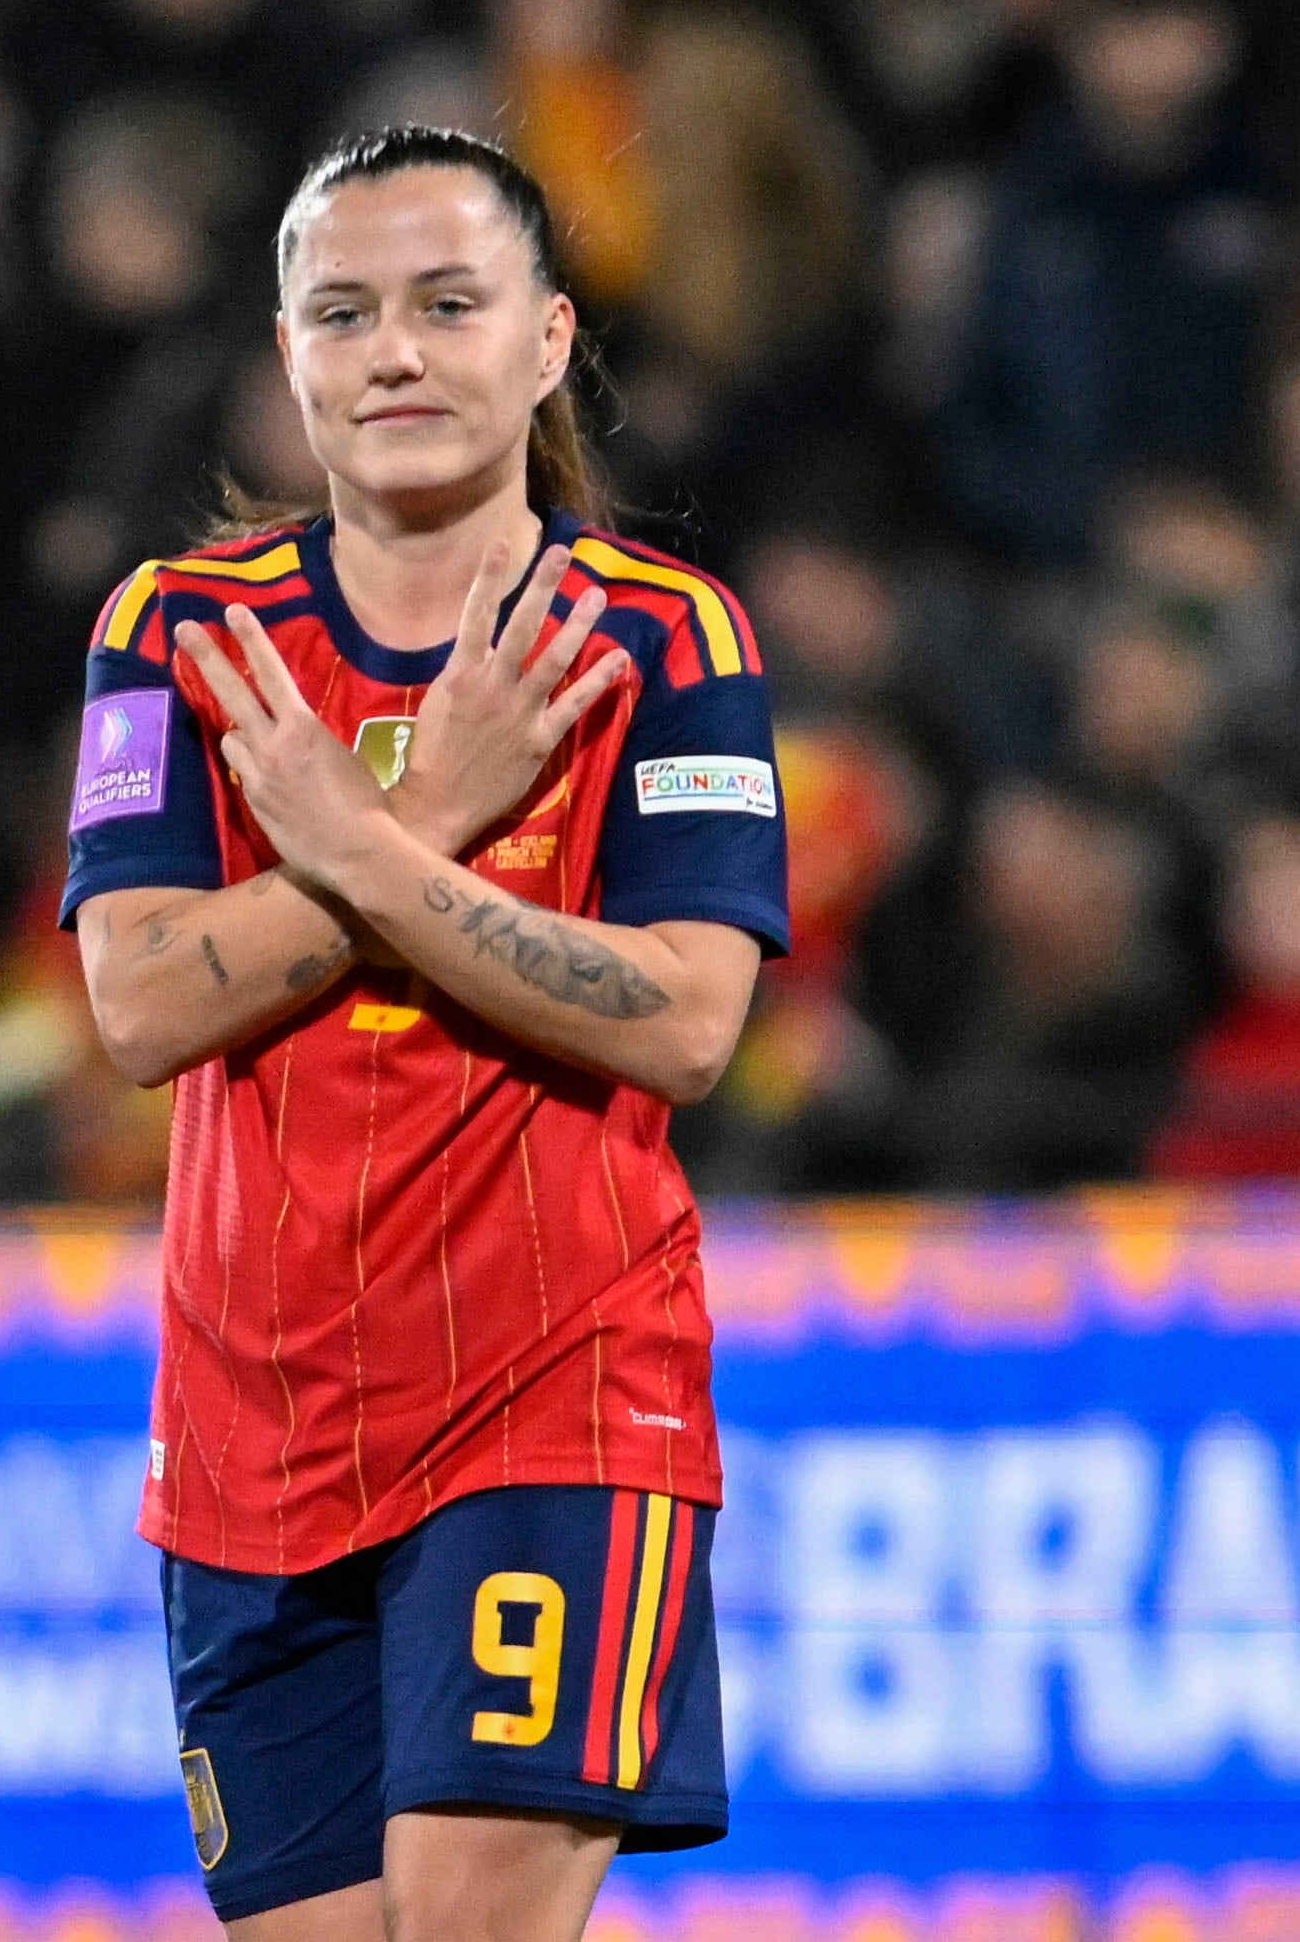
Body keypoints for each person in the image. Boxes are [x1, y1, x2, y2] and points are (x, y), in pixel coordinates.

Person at [62, 127, 787, 1942]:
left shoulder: (662, 641)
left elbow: (691, 1022)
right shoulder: (177, 638)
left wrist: (370, 846)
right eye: (345, 311)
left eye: (449, 304)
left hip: (553, 1394)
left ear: (547, 341)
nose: (395, 350)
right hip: (249, 1437)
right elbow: (143, 1003)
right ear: (288, 352)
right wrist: (431, 823)